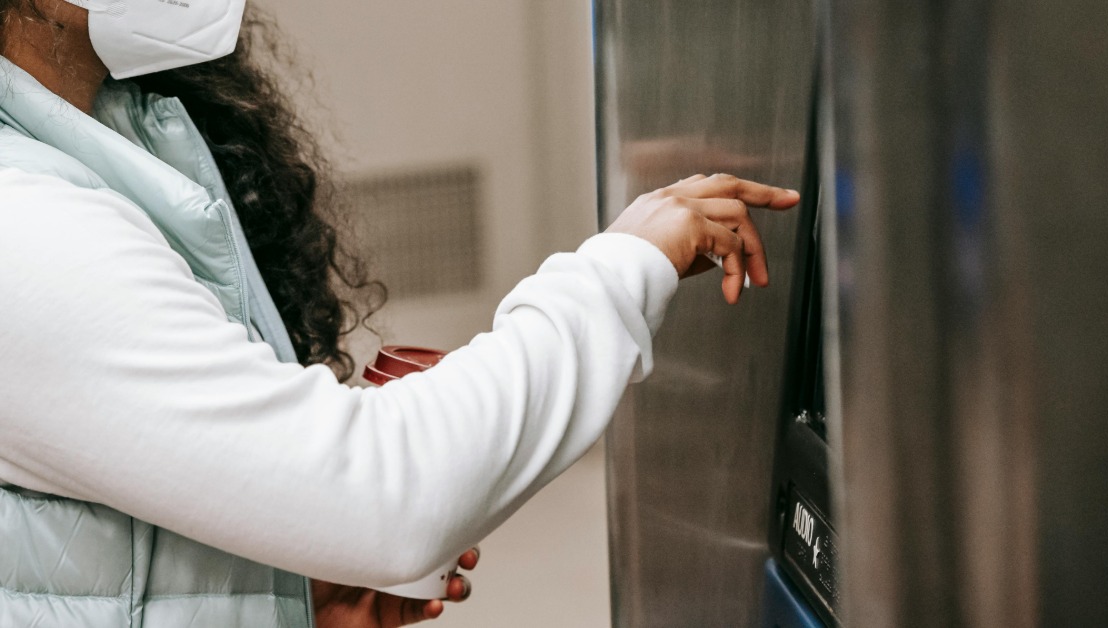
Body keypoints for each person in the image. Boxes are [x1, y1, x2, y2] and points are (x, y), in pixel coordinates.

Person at [0, 1, 799, 626]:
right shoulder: (25, 223)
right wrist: (627, 264)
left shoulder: (110, 140)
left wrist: (273, 595)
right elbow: (382, 491)